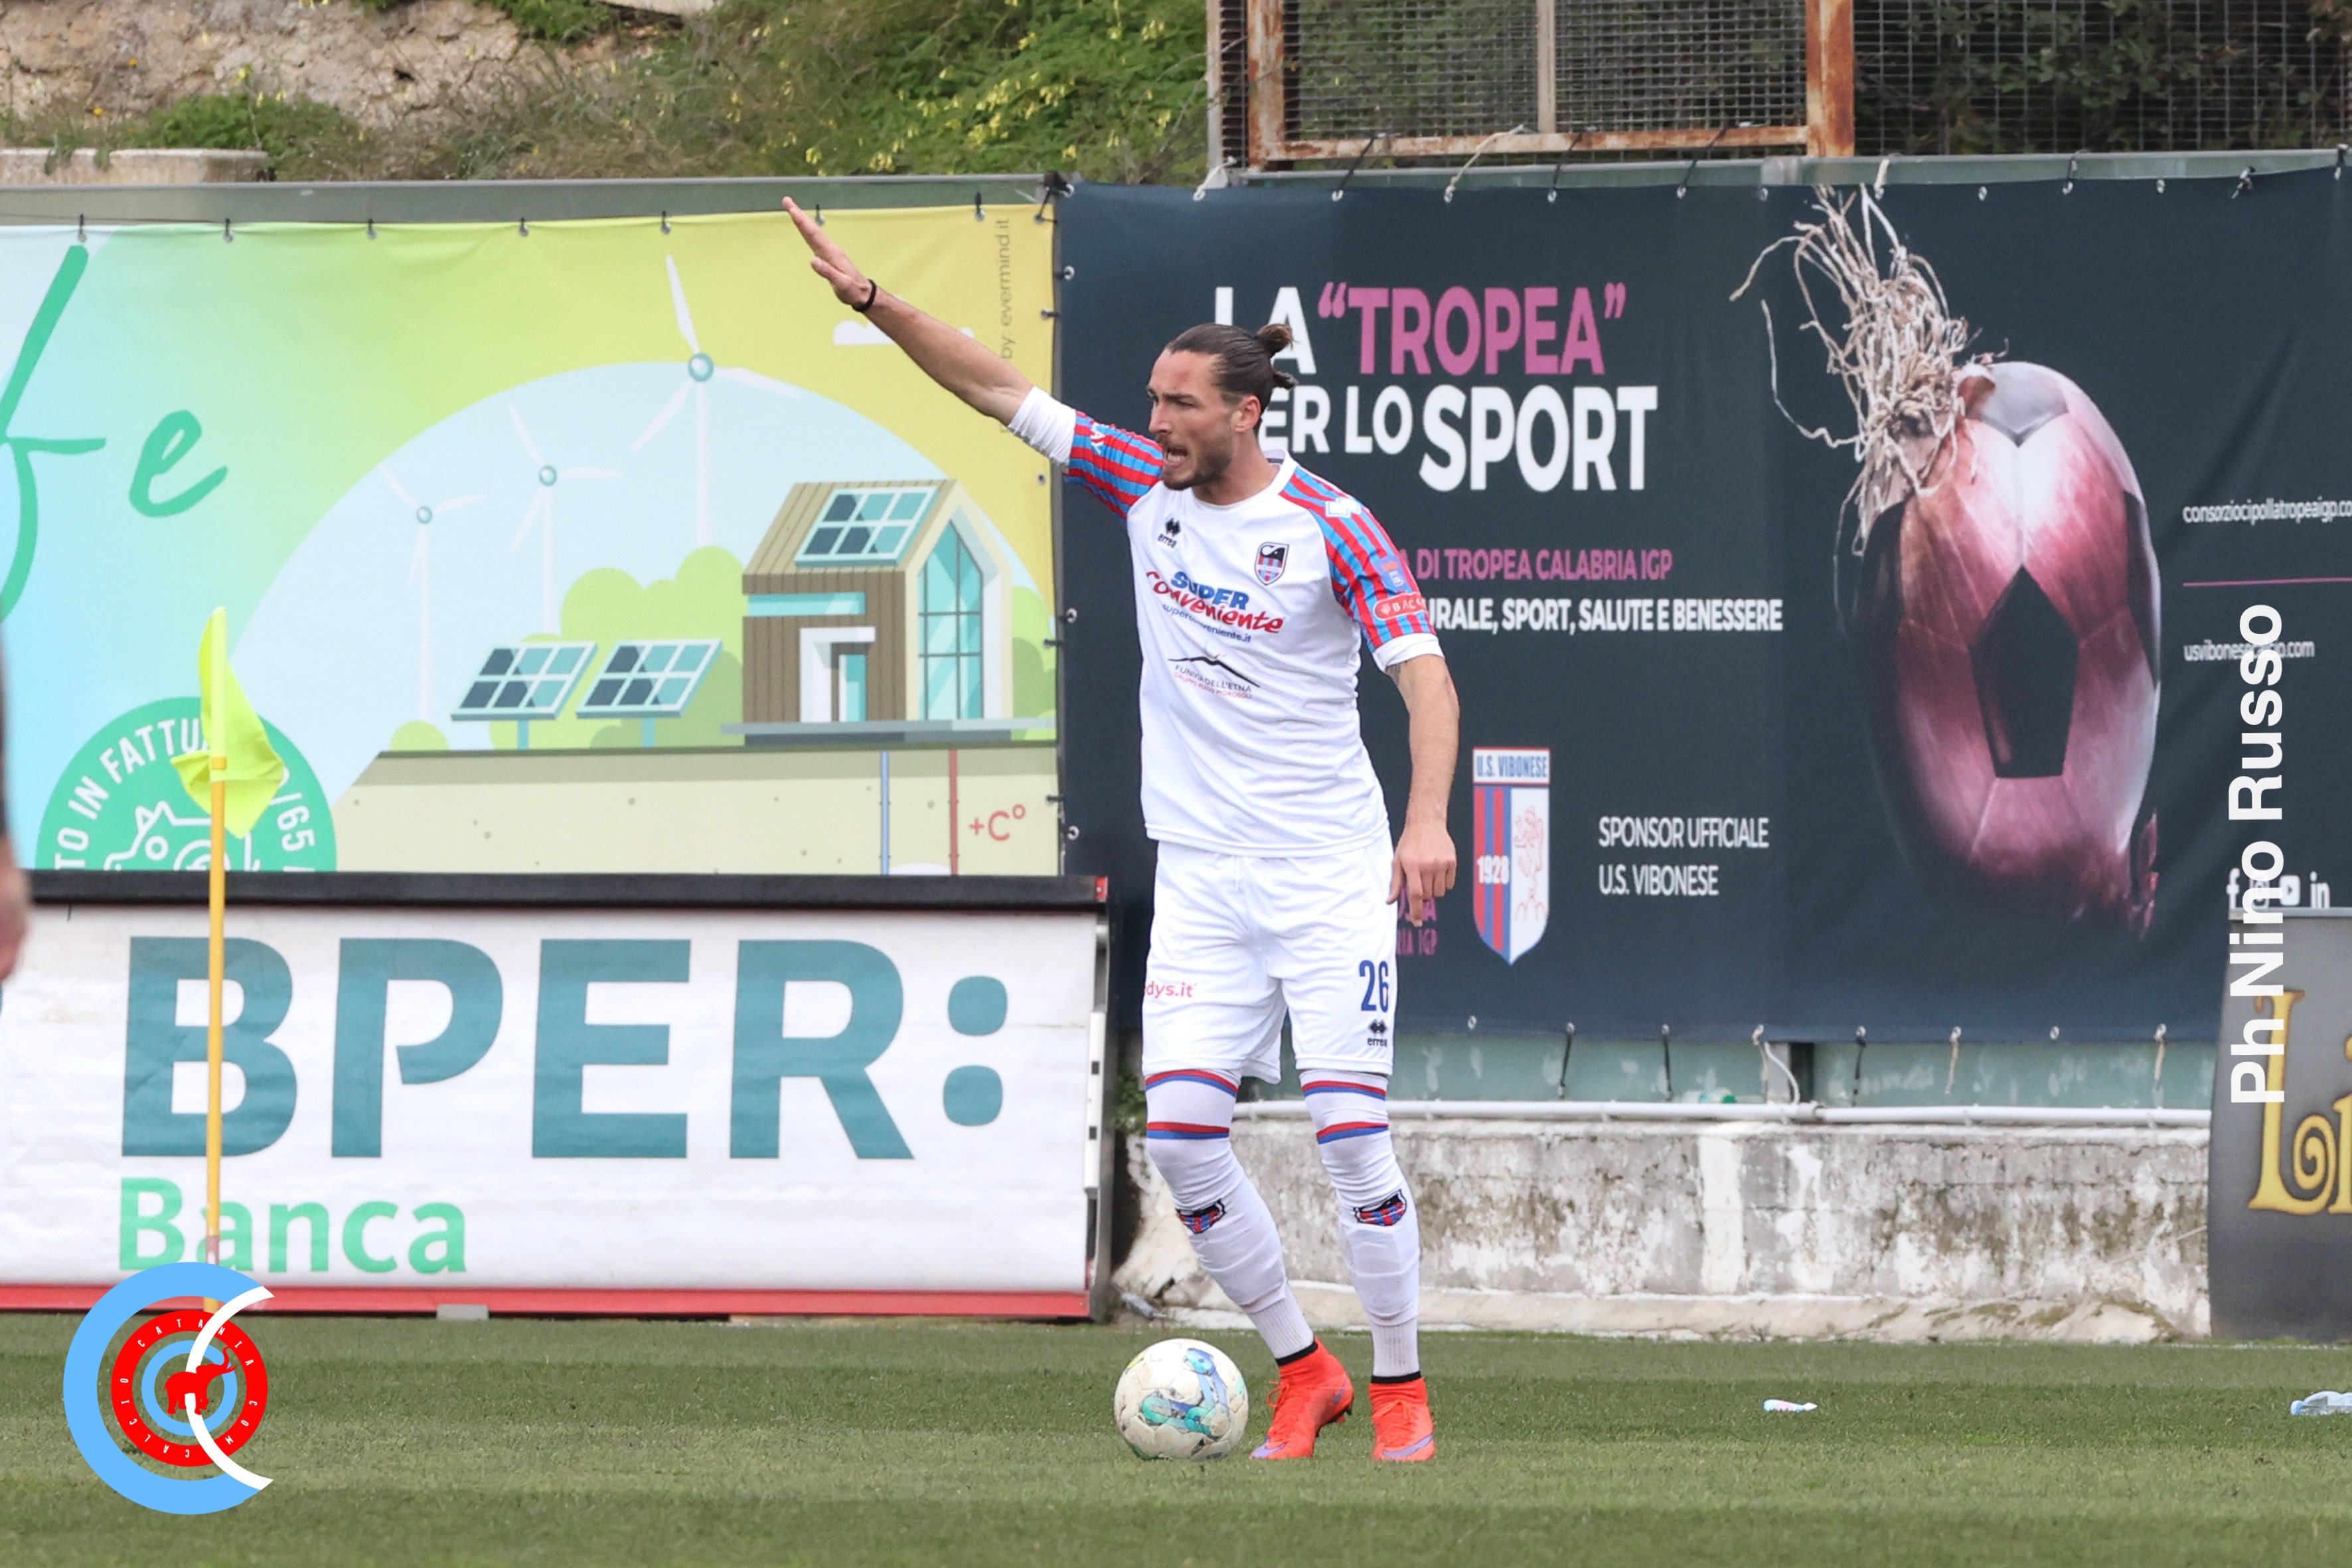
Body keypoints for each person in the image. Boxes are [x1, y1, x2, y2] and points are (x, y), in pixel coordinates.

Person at [786, 200, 1458, 1463]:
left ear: (1245, 413)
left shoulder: (1331, 526)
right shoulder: (1142, 488)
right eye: (1150, 400)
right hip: (1204, 882)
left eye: (1178, 404)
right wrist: (875, 301)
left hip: (1328, 878)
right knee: (1185, 1140)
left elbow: (1426, 679)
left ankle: (1403, 1388)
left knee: (1352, 1138)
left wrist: (1424, 821)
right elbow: (995, 388)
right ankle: (1306, 1371)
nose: (1155, 422)